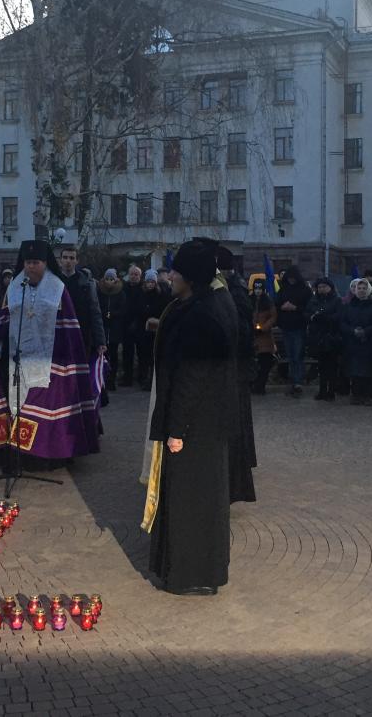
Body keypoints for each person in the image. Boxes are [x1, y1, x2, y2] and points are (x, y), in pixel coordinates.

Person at [145, 238, 238, 595]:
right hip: (208, 422)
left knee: (190, 502)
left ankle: (187, 574)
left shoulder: (201, 315)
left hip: (195, 426)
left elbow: (192, 377)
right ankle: (203, 571)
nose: (170, 277)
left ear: (190, 277)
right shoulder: (209, 303)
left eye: (176, 272)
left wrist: (177, 430)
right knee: (205, 500)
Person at [0, 241, 101, 467]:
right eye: (28, 262)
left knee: (45, 409)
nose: (31, 267)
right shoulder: (14, 287)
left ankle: (45, 455)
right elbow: (3, 323)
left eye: (36, 262)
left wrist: (65, 361)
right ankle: (16, 454)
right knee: (16, 405)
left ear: (45, 263)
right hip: (16, 360)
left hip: (51, 363)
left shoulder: (57, 288)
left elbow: (68, 329)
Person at [215, 244, 257, 503]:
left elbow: (242, 328)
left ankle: (240, 467)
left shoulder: (235, 289)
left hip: (236, 364)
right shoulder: (232, 287)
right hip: (235, 364)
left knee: (238, 418)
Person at [56, 245, 107, 368]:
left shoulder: (86, 283)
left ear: (77, 261)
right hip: (58, 334)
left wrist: (100, 340)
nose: (68, 261)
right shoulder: (54, 282)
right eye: (65, 257)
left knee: (80, 369)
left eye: (71, 258)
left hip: (81, 333)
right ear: (60, 260)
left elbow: (95, 312)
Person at [340, 278, 372, 405]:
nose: (361, 290)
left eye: (364, 288)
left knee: (369, 371)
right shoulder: (349, 306)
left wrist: (366, 331)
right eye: (359, 288)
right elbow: (343, 323)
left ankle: (368, 395)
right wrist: (353, 331)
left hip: (369, 343)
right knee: (355, 371)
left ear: (368, 290)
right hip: (353, 343)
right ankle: (356, 394)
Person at [305, 277, 343, 402]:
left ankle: (331, 391)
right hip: (318, 337)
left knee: (332, 366)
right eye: (319, 287)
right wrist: (314, 317)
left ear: (330, 287)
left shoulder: (337, 300)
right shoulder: (314, 300)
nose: (321, 289)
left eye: (324, 286)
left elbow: (339, 316)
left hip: (332, 336)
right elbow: (307, 314)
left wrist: (326, 317)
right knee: (321, 366)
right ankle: (322, 391)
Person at [276, 265, 311, 397]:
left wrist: (295, 308)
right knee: (291, 356)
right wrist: (282, 307)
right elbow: (276, 304)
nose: (291, 280)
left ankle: (298, 382)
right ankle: (293, 381)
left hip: (299, 327)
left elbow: (309, 308)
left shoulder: (305, 290)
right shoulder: (283, 289)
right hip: (286, 326)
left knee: (297, 355)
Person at [134, 270, 171, 392]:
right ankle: (144, 378)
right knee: (144, 355)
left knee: (154, 356)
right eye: (148, 282)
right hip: (143, 328)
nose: (150, 284)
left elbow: (163, 309)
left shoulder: (161, 294)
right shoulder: (141, 294)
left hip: (156, 328)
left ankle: (153, 380)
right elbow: (138, 308)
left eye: (152, 282)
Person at [97, 269, 127, 392]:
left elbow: (123, 309)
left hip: (115, 327)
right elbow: (97, 306)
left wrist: (113, 314)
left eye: (111, 279)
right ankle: (102, 379)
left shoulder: (120, 293)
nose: (109, 281)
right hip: (103, 327)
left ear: (115, 280)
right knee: (103, 355)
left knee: (113, 354)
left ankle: (112, 380)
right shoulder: (99, 292)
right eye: (107, 279)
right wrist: (104, 314)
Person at [251, 278, 278, 395]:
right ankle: (254, 385)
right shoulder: (249, 300)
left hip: (264, 336)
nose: (257, 291)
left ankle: (260, 386)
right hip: (252, 336)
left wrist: (264, 327)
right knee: (253, 364)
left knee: (265, 363)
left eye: (260, 288)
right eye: (256, 288)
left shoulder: (268, 302)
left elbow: (273, 317)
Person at [120, 265, 144, 386]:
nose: (134, 276)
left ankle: (142, 377)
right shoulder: (123, 288)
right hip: (126, 324)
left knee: (142, 353)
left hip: (140, 325)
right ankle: (127, 378)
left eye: (136, 274)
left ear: (140, 276)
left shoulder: (144, 289)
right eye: (132, 274)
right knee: (127, 353)